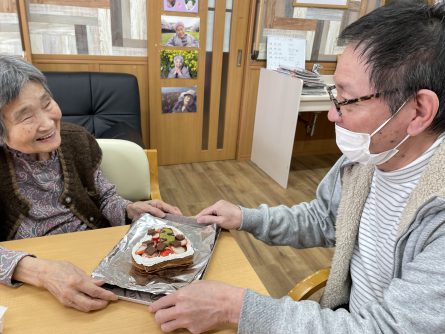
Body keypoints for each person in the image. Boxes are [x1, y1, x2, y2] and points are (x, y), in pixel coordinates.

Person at [149, 2, 445, 333]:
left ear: (418, 111)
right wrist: (246, 218)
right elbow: (324, 219)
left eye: (346, 100)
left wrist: (234, 307)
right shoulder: (369, 158)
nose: (332, 114)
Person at [0, 55, 182, 313]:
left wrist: (131, 209)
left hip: (99, 259)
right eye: (26, 117)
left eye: (47, 103)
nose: (47, 122)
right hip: (31, 287)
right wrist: (39, 272)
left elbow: (105, 197)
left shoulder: (76, 140)